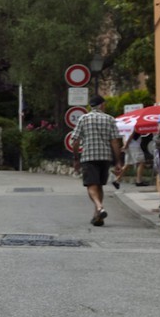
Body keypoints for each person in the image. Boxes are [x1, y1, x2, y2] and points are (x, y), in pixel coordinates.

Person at [67, 94, 120, 227]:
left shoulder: (84, 119)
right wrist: (118, 160)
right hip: (105, 157)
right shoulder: (110, 119)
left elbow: (75, 141)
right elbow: (114, 142)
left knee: (91, 185)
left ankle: (99, 207)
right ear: (101, 105)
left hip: (89, 157)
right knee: (99, 185)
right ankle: (97, 217)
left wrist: (75, 158)